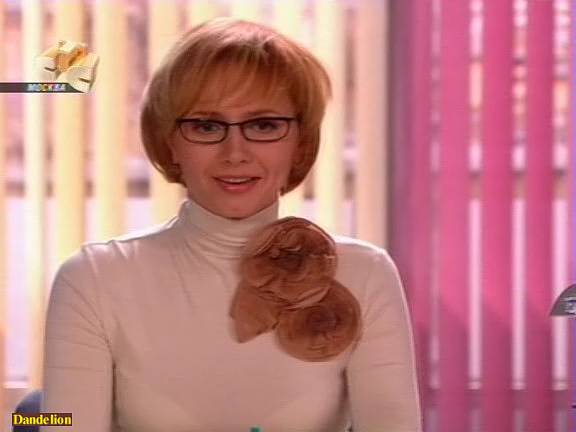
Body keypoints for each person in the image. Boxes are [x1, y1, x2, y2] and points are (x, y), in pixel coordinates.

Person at [40, 17, 422, 432]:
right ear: (169, 142)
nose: (235, 153)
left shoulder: (365, 273)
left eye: (264, 125)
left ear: (300, 144)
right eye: (206, 126)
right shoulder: (93, 279)